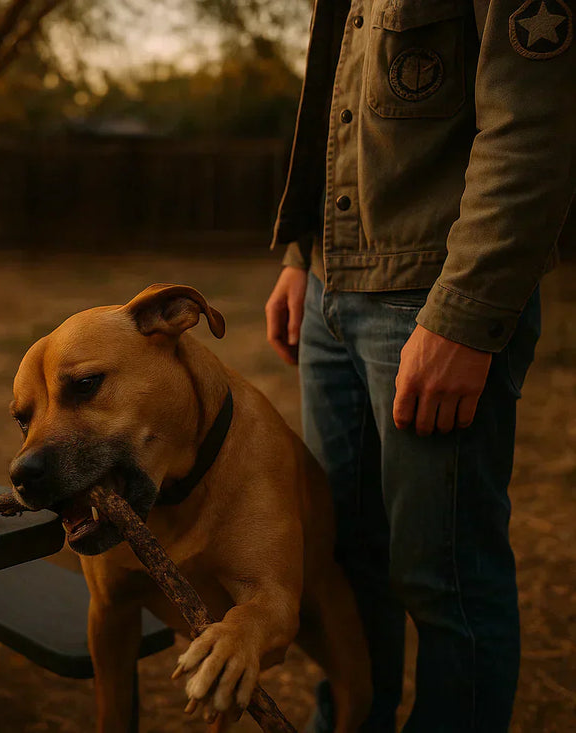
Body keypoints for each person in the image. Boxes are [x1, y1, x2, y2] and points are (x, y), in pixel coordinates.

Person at [263, 1, 574, 731]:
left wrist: (463, 318)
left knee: (447, 580)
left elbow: (533, 129)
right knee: (345, 557)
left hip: (431, 303)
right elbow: (335, 98)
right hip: (331, 290)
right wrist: (303, 255)